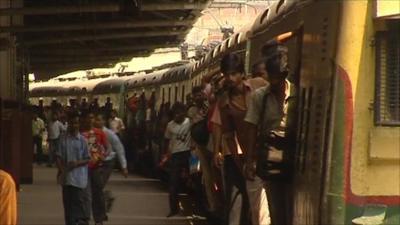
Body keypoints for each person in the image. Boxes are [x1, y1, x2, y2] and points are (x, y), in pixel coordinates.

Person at [211, 53, 268, 225]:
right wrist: (241, 162)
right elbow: (229, 135)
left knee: (266, 208)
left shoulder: (259, 86)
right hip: (249, 157)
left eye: (233, 73)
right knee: (258, 211)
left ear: (242, 74)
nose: (229, 78)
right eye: (226, 74)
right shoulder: (224, 102)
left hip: (268, 152)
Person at [243, 41, 289, 225]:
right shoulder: (259, 97)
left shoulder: (297, 94)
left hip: (292, 158)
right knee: (269, 210)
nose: (275, 85)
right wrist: (249, 160)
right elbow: (252, 128)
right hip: (270, 158)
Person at [187, 86, 220, 215]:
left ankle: (214, 204)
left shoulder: (210, 107)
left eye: (200, 94)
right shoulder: (192, 111)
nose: (198, 97)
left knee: (211, 175)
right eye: (196, 95)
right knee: (200, 175)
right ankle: (209, 203)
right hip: (197, 147)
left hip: (209, 145)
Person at [55, 112, 90, 225]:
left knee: (78, 206)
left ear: (79, 124)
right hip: (66, 179)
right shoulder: (62, 138)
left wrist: (77, 163)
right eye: (72, 123)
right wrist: (62, 170)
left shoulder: (83, 141)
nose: (74, 125)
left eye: (76, 123)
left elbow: (88, 158)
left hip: (79, 179)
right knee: (67, 206)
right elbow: (58, 156)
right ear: (68, 123)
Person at [80, 112, 110, 225]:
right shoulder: (81, 135)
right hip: (83, 167)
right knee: (85, 194)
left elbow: (108, 148)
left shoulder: (99, 133)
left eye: (92, 118)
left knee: (98, 193)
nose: (90, 120)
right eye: (88, 118)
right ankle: (85, 217)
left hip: (96, 167)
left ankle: (99, 218)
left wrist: (103, 157)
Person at [164, 102, 191, 217]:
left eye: (179, 113)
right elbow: (167, 140)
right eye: (175, 114)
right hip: (175, 155)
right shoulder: (170, 125)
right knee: (173, 182)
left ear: (184, 113)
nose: (176, 116)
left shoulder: (189, 122)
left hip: (189, 154)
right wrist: (166, 154)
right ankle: (173, 208)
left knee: (194, 178)